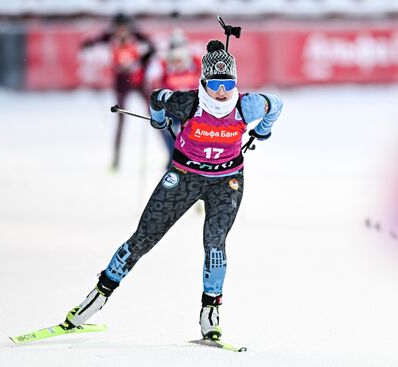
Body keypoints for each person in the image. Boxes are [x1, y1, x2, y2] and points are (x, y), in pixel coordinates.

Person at [60, 40, 283, 342]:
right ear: (204, 81)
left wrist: (263, 130)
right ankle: (96, 298)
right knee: (144, 238)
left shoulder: (248, 104)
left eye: (228, 83)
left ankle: (210, 314)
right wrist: (159, 119)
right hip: (184, 176)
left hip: (226, 181)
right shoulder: (188, 102)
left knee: (215, 243)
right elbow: (157, 97)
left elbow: (276, 105)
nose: (222, 91)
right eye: (216, 83)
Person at [81, 13, 156, 171]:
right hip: (122, 81)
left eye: (124, 28)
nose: (121, 32)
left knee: (155, 113)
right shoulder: (110, 36)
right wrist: (87, 45)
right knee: (121, 117)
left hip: (138, 79)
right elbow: (91, 42)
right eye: (118, 29)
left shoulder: (136, 36)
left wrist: (141, 62)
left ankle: (173, 152)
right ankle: (116, 158)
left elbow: (152, 48)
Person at [146, 28, 202, 168]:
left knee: (190, 134)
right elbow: (151, 78)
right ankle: (172, 155)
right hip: (170, 106)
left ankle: (188, 158)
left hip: (191, 106)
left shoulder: (195, 60)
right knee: (168, 130)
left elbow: (205, 77)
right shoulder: (163, 62)